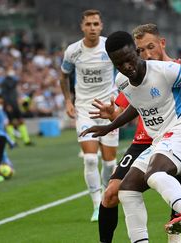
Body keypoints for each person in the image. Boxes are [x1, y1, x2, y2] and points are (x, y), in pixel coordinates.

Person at [80, 31, 181, 243]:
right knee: (126, 190)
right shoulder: (122, 81)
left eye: (129, 59)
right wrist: (110, 126)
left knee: (154, 175)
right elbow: (136, 105)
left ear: (137, 52)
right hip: (160, 141)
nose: (127, 67)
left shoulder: (165, 71)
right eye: (120, 63)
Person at [97, 24, 181, 243]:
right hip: (143, 140)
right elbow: (126, 109)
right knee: (112, 193)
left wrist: (170, 86)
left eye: (150, 46)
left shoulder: (179, 68)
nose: (147, 53)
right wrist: (111, 115)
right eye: (141, 50)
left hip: (173, 136)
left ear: (162, 43)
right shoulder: (133, 72)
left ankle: (180, 222)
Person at [59, 9, 119, 222]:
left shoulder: (110, 47)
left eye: (96, 24)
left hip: (109, 109)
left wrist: (120, 101)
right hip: (84, 109)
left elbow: (123, 72)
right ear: (82, 27)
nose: (92, 28)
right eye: (88, 24)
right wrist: (68, 100)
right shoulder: (73, 51)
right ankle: (97, 205)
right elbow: (64, 76)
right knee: (91, 159)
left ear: (101, 26)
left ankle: (105, 195)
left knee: (110, 164)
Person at [1, 68, 33, 146]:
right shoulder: (5, 83)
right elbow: (4, 95)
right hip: (10, 105)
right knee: (10, 123)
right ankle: (13, 141)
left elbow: (14, 93)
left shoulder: (13, 82)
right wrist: (7, 105)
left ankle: (26, 140)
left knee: (20, 121)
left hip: (15, 104)